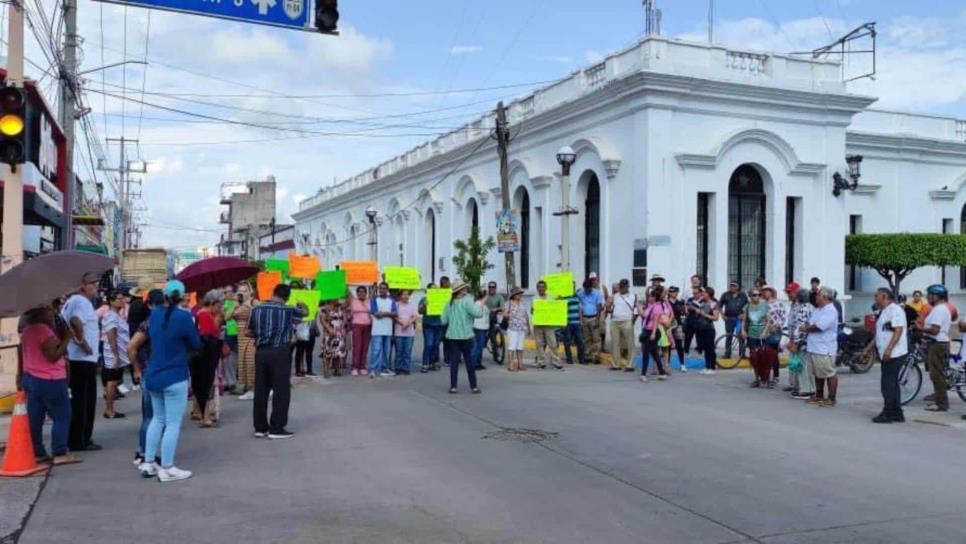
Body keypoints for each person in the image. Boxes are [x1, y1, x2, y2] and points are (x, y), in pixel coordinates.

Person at [139, 281, 201, 482]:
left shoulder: (155, 314)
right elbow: (196, 343)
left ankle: (148, 462)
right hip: (175, 375)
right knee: (173, 423)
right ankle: (167, 467)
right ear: (183, 296)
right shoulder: (184, 317)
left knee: (158, 419)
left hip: (153, 373)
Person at [18, 304, 81, 466]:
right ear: (38, 313)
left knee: (35, 418)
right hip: (50, 379)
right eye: (48, 310)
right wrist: (67, 338)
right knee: (62, 416)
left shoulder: (27, 331)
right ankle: (59, 452)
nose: (52, 312)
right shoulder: (44, 331)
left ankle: (38, 452)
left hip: (31, 377)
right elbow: (53, 356)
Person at [248, 283, 307, 439]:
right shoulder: (288, 310)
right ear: (287, 297)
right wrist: (302, 305)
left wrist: (262, 335)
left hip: (261, 352)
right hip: (280, 351)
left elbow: (249, 331)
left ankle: (260, 427)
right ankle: (277, 428)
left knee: (261, 390)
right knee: (281, 390)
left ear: (273, 292)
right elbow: (305, 313)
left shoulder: (257, 309)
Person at [62, 275, 102, 452]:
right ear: (83, 287)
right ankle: (79, 440)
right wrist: (84, 344)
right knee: (82, 401)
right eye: (92, 284)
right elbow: (75, 322)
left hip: (84, 360)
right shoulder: (79, 301)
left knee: (83, 400)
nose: (96, 287)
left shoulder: (81, 302)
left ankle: (81, 438)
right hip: (81, 360)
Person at [128, 289, 163, 466]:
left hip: (152, 372)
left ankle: (145, 452)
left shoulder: (149, 323)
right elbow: (131, 347)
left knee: (151, 416)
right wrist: (136, 369)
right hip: (151, 372)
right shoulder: (149, 324)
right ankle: (145, 453)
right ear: (149, 305)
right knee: (153, 417)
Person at [862, 288, 908, 423]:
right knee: (892, 383)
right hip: (887, 353)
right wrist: (867, 349)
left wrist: (889, 350)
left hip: (895, 353)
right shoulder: (884, 312)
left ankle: (887, 413)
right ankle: (897, 412)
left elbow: (898, 331)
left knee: (887, 383)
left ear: (884, 296)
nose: (874, 298)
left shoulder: (895, 310)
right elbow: (879, 334)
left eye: (876, 296)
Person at [440, 282, 484, 393]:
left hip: (453, 336)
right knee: (469, 362)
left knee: (454, 362)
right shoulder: (467, 302)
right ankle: (473, 386)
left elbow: (443, 320)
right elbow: (478, 314)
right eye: (465, 289)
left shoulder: (448, 303)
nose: (466, 290)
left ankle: (453, 387)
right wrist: (480, 305)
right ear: (461, 291)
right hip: (466, 336)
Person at [190, 290, 224, 428]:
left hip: (207, 354)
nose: (220, 308)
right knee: (206, 384)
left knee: (205, 384)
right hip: (206, 355)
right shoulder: (204, 314)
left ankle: (204, 414)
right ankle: (205, 416)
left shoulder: (205, 314)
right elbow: (207, 335)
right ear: (214, 303)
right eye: (219, 305)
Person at [801, 287, 839, 407]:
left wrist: (806, 328)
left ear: (824, 297)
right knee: (817, 373)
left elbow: (820, 326)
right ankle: (819, 395)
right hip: (814, 346)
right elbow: (811, 324)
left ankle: (831, 398)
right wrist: (808, 326)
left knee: (829, 373)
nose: (816, 297)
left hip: (824, 348)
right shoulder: (818, 310)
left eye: (818, 295)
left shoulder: (830, 310)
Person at [100, 290, 131, 419]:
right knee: (112, 382)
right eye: (118, 299)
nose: (121, 301)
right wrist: (115, 355)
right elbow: (111, 335)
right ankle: (109, 410)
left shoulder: (117, 315)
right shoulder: (111, 316)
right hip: (113, 353)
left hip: (119, 352)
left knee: (115, 380)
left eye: (122, 298)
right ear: (111, 302)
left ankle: (110, 407)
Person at [922, 284, 952, 412]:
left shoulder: (939, 309)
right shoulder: (939, 308)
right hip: (936, 344)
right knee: (936, 374)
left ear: (936, 296)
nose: (928, 298)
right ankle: (940, 400)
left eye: (929, 295)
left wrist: (920, 329)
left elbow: (935, 330)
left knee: (937, 375)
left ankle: (942, 404)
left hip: (937, 344)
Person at [785, 286, 815, 399]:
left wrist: (795, 343)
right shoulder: (808, 307)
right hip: (802, 341)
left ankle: (806, 390)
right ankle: (799, 387)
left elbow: (799, 327)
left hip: (801, 342)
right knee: (797, 365)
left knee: (802, 366)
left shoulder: (803, 309)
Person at [638, 286, 671, 382]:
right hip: (648, 330)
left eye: (650, 297)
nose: (648, 298)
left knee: (646, 353)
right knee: (655, 353)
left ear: (654, 298)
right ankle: (662, 373)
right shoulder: (651, 306)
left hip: (652, 331)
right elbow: (644, 315)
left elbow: (656, 321)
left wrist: (653, 334)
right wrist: (639, 307)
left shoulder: (657, 308)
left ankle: (643, 374)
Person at [230, 286, 256, 400]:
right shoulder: (236, 304)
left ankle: (254, 388)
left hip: (250, 335)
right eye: (240, 291)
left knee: (251, 362)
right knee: (243, 362)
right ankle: (248, 387)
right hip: (240, 336)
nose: (242, 293)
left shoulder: (253, 302)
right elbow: (227, 317)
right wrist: (234, 304)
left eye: (244, 291)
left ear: (250, 292)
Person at [532, 281, 563, 370]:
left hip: (549, 324)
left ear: (546, 288)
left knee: (552, 343)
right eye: (539, 287)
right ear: (537, 288)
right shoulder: (534, 299)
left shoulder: (551, 298)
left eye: (542, 287)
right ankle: (541, 361)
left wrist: (560, 302)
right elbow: (532, 311)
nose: (541, 288)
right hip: (538, 324)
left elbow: (556, 309)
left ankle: (556, 361)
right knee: (540, 344)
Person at [368, 282, 398, 378]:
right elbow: (375, 314)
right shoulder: (375, 300)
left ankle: (384, 368)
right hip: (377, 330)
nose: (382, 290)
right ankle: (373, 369)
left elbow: (395, 314)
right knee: (376, 350)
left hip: (388, 330)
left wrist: (384, 313)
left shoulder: (391, 301)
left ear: (387, 290)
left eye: (384, 288)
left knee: (387, 350)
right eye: (380, 288)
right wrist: (388, 314)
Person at [607, 279, 636, 372]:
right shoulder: (615, 296)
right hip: (615, 321)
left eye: (624, 286)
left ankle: (630, 364)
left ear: (628, 287)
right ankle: (616, 364)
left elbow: (635, 309)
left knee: (629, 343)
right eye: (621, 286)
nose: (622, 288)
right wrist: (608, 306)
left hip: (627, 320)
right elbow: (609, 308)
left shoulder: (633, 296)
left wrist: (633, 321)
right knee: (615, 343)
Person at [743, 289, 770, 387]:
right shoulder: (747, 306)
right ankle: (757, 379)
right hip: (752, 335)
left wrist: (764, 332)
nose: (757, 297)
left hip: (763, 336)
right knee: (754, 358)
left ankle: (767, 378)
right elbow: (745, 320)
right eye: (754, 295)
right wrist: (743, 330)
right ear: (750, 297)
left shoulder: (764, 305)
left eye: (759, 295)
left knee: (765, 358)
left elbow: (768, 320)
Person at [691, 287, 720, 375]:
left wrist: (703, 314)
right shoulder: (702, 303)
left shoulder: (714, 304)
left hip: (709, 329)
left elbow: (716, 318)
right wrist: (695, 311)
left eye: (704, 292)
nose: (702, 294)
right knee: (704, 349)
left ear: (708, 294)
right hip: (700, 328)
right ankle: (707, 367)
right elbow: (699, 314)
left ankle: (712, 367)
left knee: (710, 348)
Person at [318, 297, 350, 378]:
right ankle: (326, 370)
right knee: (327, 352)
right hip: (329, 332)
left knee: (338, 352)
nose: (338, 299)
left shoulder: (340, 307)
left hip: (339, 332)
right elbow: (322, 320)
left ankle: (337, 369)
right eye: (335, 298)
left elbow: (344, 318)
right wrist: (329, 329)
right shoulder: (324, 308)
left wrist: (343, 328)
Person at [762, 285, 787, 388]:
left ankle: (775, 376)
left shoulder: (778, 304)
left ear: (771, 292)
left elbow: (783, 317)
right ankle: (766, 376)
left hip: (775, 331)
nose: (765, 293)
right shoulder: (762, 305)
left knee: (773, 353)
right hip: (764, 331)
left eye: (767, 291)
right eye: (763, 292)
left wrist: (778, 326)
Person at [577, 278, 605, 365]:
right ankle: (588, 356)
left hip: (594, 317)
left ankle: (596, 356)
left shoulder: (597, 293)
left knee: (596, 338)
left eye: (588, 289)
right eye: (585, 289)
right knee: (587, 338)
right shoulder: (581, 293)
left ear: (591, 287)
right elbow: (579, 303)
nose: (586, 290)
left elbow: (599, 307)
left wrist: (597, 319)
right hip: (585, 318)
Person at [503, 287, 531, 372]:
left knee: (520, 347)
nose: (520, 295)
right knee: (512, 347)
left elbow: (525, 315)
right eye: (518, 294)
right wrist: (510, 316)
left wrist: (528, 326)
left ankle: (520, 364)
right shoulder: (509, 303)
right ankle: (510, 365)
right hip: (513, 328)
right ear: (514, 295)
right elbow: (504, 314)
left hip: (521, 328)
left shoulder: (522, 303)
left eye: (520, 294)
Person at [418, 282, 443, 373]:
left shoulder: (441, 299)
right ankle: (425, 363)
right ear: (428, 290)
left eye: (436, 288)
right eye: (432, 288)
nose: (434, 290)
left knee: (436, 344)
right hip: (428, 325)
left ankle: (434, 362)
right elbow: (420, 311)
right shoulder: (424, 299)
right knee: (429, 344)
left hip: (439, 324)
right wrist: (424, 305)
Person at [719, 281, 748, 360]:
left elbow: (748, 306)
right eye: (731, 286)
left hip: (739, 319)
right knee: (729, 336)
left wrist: (743, 314)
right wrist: (722, 315)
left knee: (741, 336)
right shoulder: (725, 295)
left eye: (734, 286)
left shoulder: (743, 295)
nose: (732, 287)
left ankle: (742, 354)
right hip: (729, 318)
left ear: (737, 287)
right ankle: (727, 354)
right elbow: (719, 306)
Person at [349, 286, 372, 376]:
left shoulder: (369, 301)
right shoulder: (353, 300)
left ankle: (362, 367)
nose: (361, 293)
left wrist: (374, 283)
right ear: (357, 293)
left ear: (366, 293)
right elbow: (347, 290)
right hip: (357, 326)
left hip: (367, 326)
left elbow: (373, 289)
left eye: (363, 292)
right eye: (359, 292)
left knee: (365, 347)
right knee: (357, 347)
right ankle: (355, 367)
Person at [561, 282, 585, 365]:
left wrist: (582, 321)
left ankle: (581, 359)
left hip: (577, 323)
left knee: (580, 342)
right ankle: (569, 359)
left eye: (574, 286)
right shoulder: (565, 297)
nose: (573, 287)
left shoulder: (578, 297)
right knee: (567, 342)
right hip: (568, 323)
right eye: (571, 286)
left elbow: (580, 309)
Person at [393, 290, 416, 375]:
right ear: (400, 296)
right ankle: (398, 368)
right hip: (399, 332)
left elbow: (414, 316)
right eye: (404, 294)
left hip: (409, 333)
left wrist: (408, 323)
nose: (406, 296)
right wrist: (402, 323)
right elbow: (394, 316)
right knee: (399, 351)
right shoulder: (396, 305)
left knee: (407, 351)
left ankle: (406, 368)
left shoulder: (411, 306)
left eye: (407, 295)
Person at [293, 311, 319, 377]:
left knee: (309, 353)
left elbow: (314, 320)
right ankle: (298, 371)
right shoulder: (300, 309)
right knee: (299, 352)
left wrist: (316, 330)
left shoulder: (313, 309)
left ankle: (309, 370)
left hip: (311, 332)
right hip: (302, 333)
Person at [668, 287, 687, 372]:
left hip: (678, 325)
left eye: (676, 292)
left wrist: (684, 307)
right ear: (670, 293)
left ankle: (682, 364)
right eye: (673, 292)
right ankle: (667, 364)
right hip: (668, 325)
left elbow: (683, 313)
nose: (675, 293)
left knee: (679, 345)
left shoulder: (679, 302)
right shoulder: (666, 302)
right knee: (667, 345)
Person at [589, 273, 609, 353]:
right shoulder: (589, 288)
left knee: (602, 330)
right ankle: (594, 347)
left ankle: (602, 347)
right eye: (591, 280)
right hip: (592, 312)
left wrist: (606, 310)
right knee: (593, 330)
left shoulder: (602, 287)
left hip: (601, 311)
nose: (593, 281)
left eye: (594, 279)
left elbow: (607, 298)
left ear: (597, 279)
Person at [470, 291, 490, 370]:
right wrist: (483, 300)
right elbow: (478, 311)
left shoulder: (484, 304)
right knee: (477, 345)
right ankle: (473, 363)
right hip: (478, 327)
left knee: (481, 346)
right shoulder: (478, 303)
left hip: (484, 327)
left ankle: (478, 362)